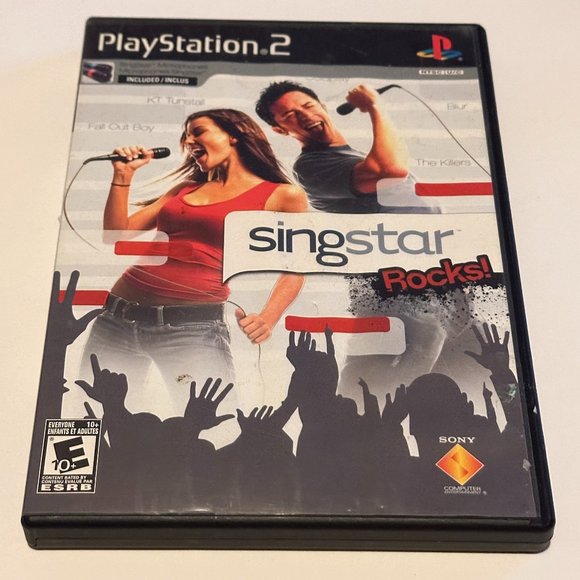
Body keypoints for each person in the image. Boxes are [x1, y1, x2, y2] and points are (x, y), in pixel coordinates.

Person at [81, 109, 307, 428]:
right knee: (93, 418)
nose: (188, 141)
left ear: (234, 134)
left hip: (192, 330)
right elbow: (116, 235)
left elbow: (298, 265)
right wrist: (123, 175)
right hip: (116, 320)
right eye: (185, 135)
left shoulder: (283, 195)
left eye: (197, 131)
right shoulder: (184, 189)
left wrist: (269, 317)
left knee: (215, 429)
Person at [255, 80, 436, 214]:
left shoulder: (354, 156)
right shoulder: (309, 167)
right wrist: (375, 105)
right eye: (290, 115)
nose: (306, 116)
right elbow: (389, 171)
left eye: (308, 106)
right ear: (280, 130)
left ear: (323, 107)